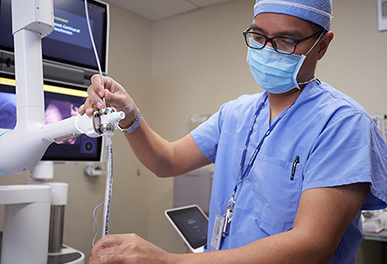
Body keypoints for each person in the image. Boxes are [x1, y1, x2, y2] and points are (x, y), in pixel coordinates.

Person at [80, 0, 387, 263]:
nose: (267, 50)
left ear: (322, 45)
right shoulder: (236, 113)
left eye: (286, 41)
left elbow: (311, 246)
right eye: (258, 36)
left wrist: (167, 259)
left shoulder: (342, 124)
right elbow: (168, 161)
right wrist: (129, 114)